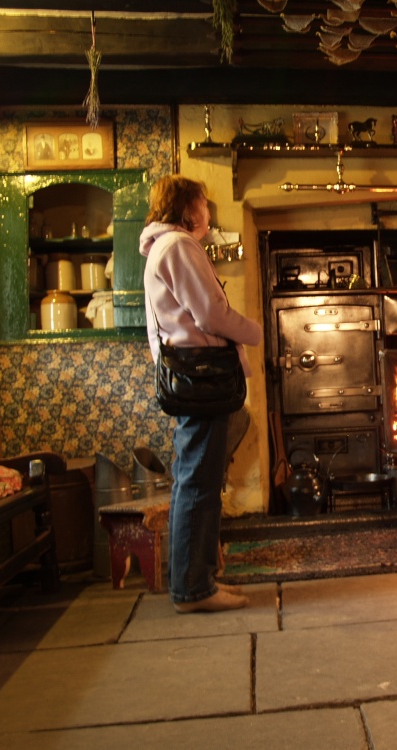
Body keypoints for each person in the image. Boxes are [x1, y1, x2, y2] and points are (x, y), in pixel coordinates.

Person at [140, 175, 264, 613]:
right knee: (197, 482)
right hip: (203, 379)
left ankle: (199, 580)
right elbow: (211, 313)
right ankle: (193, 588)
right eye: (204, 204)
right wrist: (255, 331)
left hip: (195, 378)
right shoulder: (177, 246)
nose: (208, 213)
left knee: (200, 477)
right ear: (188, 207)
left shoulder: (165, 247)